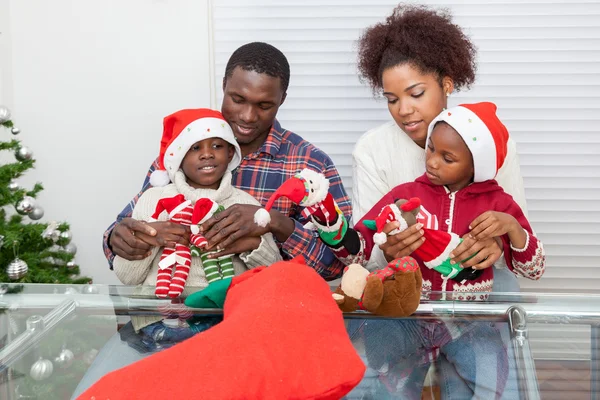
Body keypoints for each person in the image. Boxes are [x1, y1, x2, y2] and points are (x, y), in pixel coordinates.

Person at [303, 102, 545, 398]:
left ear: (476, 166)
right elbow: (360, 250)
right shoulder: (405, 195)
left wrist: (512, 227)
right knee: (384, 388)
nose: (432, 162)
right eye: (430, 149)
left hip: (468, 322)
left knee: (486, 385)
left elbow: (533, 269)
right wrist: (333, 228)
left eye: (448, 158)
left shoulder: (499, 205)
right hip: (409, 317)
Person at [103, 41, 351, 281]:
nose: (247, 116)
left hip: (261, 314)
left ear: (282, 99)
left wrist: (275, 223)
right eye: (238, 99)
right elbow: (120, 233)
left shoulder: (311, 165)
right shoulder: (182, 151)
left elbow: (340, 265)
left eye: (264, 105)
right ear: (223, 86)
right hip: (172, 310)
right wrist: (119, 238)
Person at [352, 4, 527, 292]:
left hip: (475, 284)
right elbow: (365, 251)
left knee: (506, 294)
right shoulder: (372, 149)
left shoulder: (490, 140)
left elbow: (516, 227)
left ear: (447, 84)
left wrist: (495, 243)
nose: (404, 110)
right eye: (392, 99)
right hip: (404, 285)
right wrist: (388, 250)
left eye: (416, 93)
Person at [113, 108, 281, 335]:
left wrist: (254, 245)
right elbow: (127, 277)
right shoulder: (154, 199)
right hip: (159, 321)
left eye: (217, 146)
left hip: (231, 321)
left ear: (231, 153)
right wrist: (151, 237)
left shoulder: (246, 205)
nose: (207, 154)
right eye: (195, 148)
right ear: (178, 157)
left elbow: (276, 276)